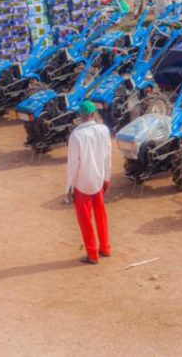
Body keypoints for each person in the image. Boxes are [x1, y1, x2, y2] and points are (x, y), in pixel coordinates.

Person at [64, 101, 112, 265]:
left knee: (85, 220)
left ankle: (92, 254)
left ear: (80, 115)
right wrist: (106, 178)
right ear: (93, 114)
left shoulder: (76, 135)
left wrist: (69, 188)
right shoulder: (103, 130)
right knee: (101, 215)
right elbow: (107, 156)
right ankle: (105, 248)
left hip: (82, 183)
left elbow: (73, 164)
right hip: (98, 179)